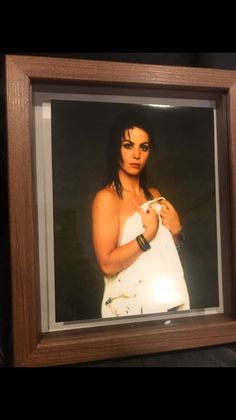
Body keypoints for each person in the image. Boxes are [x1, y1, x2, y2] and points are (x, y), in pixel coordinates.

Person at [92, 111, 190, 318]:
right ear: (115, 148)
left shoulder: (153, 195)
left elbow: (165, 257)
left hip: (164, 302)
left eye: (143, 147)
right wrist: (147, 235)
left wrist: (176, 233)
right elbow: (107, 265)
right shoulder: (107, 198)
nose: (136, 155)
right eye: (128, 145)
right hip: (126, 308)